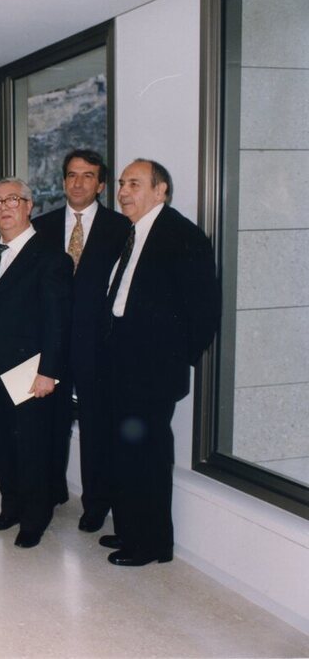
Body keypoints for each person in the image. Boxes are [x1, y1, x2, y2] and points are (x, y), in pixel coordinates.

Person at [100, 159, 219, 567]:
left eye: (134, 183)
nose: (123, 192)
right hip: (120, 364)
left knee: (146, 456)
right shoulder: (129, 234)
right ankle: (132, 529)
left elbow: (205, 313)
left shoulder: (182, 236)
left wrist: (171, 361)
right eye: (120, 184)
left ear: (161, 190)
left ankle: (152, 545)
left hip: (152, 373)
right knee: (125, 452)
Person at [32, 150, 131, 531]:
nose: (78, 183)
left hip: (96, 349)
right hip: (50, 346)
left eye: (88, 176)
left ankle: (95, 504)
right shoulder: (40, 227)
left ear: (101, 184)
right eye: (72, 175)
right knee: (50, 423)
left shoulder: (121, 228)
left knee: (95, 428)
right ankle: (53, 490)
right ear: (62, 181)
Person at [0, 178, 72, 549]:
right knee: (1, 444)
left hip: (30, 373)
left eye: (13, 200)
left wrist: (48, 371)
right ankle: (11, 507)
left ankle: (35, 517)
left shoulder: (51, 258)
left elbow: (57, 321)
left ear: (29, 206)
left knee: (32, 447)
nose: (4, 207)